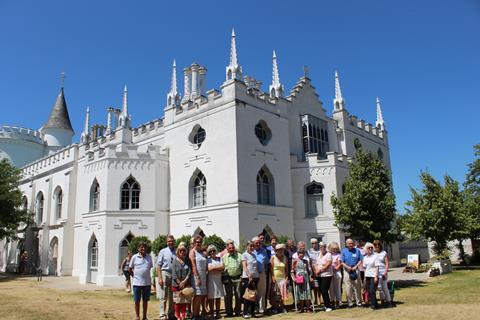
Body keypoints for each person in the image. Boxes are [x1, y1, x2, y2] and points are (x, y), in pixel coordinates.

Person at [129, 242, 154, 320]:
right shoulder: (134, 257)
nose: (143, 248)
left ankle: (144, 316)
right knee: (137, 301)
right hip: (137, 283)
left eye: (144, 247)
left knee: (145, 301)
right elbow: (130, 269)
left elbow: (149, 268)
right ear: (138, 248)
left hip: (147, 283)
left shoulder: (149, 257)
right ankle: (137, 316)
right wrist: (134, 276)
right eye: (141, 247)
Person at [157, 235, 176, 320]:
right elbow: (158, 265)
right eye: (169, 241)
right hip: (165, 273)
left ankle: (171, 314)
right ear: (166, 242)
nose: (170, 242)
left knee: (172, 297)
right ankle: (162, 314)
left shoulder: (177, 251)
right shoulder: (163, 251)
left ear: (174, 241)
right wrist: (160, 278)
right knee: (163, 295)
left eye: (172, 241)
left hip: (174, 274)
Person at [222, 241, 243, 317]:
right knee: (228, 296)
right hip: (228, 278)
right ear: (227, 249)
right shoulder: (224, 257)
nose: (231, 249)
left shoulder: (240, 256)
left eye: (232, 248)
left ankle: (237, 311)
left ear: (234, 248)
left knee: (238, 295)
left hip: (238, 278)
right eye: (230, 248)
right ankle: (229, 312)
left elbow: (243, 266)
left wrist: (242, 276)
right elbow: (222, 268)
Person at [172, 244, 192, 320]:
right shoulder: (174, 261)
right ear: (178, 252)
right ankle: (178, 315)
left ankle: (183, 315)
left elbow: (189, 271)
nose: (182, 252)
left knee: (184, 301)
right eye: (181, 250)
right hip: (176, 285)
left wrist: (184, 281)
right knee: (177, 301)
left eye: (184, 250)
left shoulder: (186, 261)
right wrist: (179, 283)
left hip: (185, 284)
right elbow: (174, 274)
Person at [341, 238, 363, 307]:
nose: (351, 245)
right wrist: (348, 267)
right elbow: (341, 262)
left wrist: (356, 266)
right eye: (349, 243)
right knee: (348, 287)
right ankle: (350, 303)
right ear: (346, 244)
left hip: (355, 269)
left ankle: (359, 302)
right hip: (347, 271)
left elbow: (360, 260)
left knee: (357, 287)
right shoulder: (343, 251)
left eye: (352, 243)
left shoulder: (357, 250)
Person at [190, 235, 208, 320]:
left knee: (201, 296)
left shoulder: (202, 253)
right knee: (197, 296)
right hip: (196, 276)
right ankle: (195, 314)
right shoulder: (192, 252)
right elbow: (193, 265)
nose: (198, 243)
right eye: (197, 242)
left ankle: (198, 314)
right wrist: (197, 278)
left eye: (200, 242)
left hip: (204, 276)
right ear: (194, 243)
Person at [241, 241, 259, 319]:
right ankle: (245, 312)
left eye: (253, 246)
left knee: (253, 296)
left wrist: (257, 276)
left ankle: (252, 312)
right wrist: (249, 276)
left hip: (255, 277)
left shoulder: (254, 255)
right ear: (247, 246)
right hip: (247, 278)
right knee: (247, 296)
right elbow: (244, 266)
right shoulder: (244, 255)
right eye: (250, 246)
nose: (252, 247)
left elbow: (255, 267)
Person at [207, 245, 225, 319]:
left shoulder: (219, 258)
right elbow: (209, 269)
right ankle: (211, 314)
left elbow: (223, 267)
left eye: (213, 250)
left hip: (218, 280)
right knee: (211, 298)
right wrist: (218, 268)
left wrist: (214, 268)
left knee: (218, 297)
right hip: (211, 280)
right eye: (210, 251)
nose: (212, 252)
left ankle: (217, 313)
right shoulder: (208, 259)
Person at [269, 243, 288, 314]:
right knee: (275, 294)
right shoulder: (273, 258)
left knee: (282, 294)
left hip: (282, 278)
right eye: (279, 250)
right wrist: (273, 277)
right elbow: (271, 269)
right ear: (276, 251)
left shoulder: (285, 258)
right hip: (275, 279)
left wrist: (286, 278)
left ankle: (282, 308)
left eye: (281, 250)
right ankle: (276, 308)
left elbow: (286, 269)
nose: (280, 251)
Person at [373, 240, 393, 307]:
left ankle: (389, 301)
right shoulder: (373, 253)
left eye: (378, 245)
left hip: (383, 272)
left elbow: (387, 264)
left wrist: (385, 273)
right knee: (379, 288)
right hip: (376, 272)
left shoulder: (384, 253)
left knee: (384, 287)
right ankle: (382, 301)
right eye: (375, 245)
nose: (377, 246)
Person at [253, 236, 268, 315]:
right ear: (253, 244)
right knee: (253, 292)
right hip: (253, 275)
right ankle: (254, 308)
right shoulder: (250, 251)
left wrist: (264, 273)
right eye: (256, 243)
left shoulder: (264, 251)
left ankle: (261, 309)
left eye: (259, 242)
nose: (258, 244)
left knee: (262, 292)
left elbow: (266, 263)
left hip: (261, 273)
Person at [316, 242, 333, 312]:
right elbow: (317, 263)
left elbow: (328, 264)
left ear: (325, 247)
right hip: (320, 275)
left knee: (324, 289)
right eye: (320, 247)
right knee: (321, 290)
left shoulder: (328, 254)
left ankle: (328, 306)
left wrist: (320, 270)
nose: (321, 248)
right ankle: (326, 305)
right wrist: (316, 270)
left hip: (327, 274)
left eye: (322, 247)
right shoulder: (319, 254)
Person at [362, 242, 379, 309]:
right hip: (367, 276)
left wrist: (376, 277)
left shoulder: (375, 256)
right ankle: (375, 304)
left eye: (371, 247)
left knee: (372, 290)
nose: (370, 249)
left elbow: (377, 267)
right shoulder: (365, 257)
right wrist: (365, 278)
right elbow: (364, 268)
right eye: (369, 248)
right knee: (368, 291)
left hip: (373, 275)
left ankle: (373, 305)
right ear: (366, 249)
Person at [328, 242, 342, 308]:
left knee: (337, 288)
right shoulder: (328, 255)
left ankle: (338, 302)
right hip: (330, 273)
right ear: (330, 248)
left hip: (337, 272)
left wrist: (335, 268)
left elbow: (339, 264)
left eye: (336, 249)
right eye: (333, 248)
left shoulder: (339, 255)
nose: (334, 250)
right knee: (331, 288)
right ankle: (332, 302)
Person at [308, 239, 321, 305]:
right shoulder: (309, 251)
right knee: (315, 285)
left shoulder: (320, 251)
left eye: (315, 243)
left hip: (320, 270)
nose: (314, 244)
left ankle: (319, 298)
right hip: (313, 270)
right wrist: (313, 270)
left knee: (319, 285)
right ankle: (315, 298)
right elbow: (309, 262)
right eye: (313, 243)